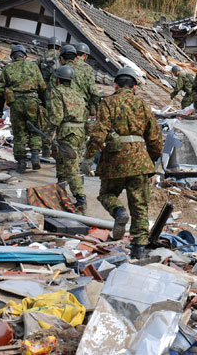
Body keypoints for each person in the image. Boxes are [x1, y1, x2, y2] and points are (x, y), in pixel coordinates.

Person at [85, 67, 163, 259]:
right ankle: (139, 249)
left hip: (114, 160)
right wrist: (151, 159)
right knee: (139, 205)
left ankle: (119, 211)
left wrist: (88, 157)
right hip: (140, 159)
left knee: (106, 194)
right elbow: (155, 139)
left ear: (115, 84)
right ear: (135, 87)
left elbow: (98, 133)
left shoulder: (108, 103)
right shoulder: (143, 105)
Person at [0, 45, 46, 173]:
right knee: (35, 129)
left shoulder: (7, 69)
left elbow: (0, 91)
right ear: (25, 56)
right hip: (32, 102)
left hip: (16, 103)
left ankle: (22, 163)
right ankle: (35, 156)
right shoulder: (33, 66)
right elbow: (42, 87)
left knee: (19, 133)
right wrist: (45, 105)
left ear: (12, 57)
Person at [46, 65, 88, 212]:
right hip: (80, 132)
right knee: (63, 161)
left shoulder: (57, 92)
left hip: (67, 132)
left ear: (58, 79)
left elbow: (56, 117)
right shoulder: (78, 94)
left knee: (71, 167)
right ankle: (61, 190)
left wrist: (49, 133)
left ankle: (81, 198)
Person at [38, 37, 61, 158]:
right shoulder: (60, 58)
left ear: (48, 46)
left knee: (44, 121)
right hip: (56, 94)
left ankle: (45, 148)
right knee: (57, 120)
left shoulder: (42, 57)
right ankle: (55, 147)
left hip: (43, 92)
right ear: (59, 47)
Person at [71, 43, 101, 116]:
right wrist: (97, 102)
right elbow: (93, 90)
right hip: (80, 105)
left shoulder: (66, 64)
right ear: (84, 55)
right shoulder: (87, 68)